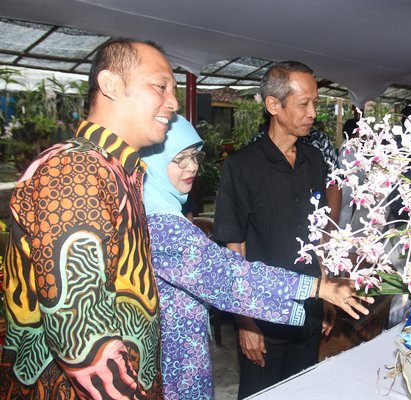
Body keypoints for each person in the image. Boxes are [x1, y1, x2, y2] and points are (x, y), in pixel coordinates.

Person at [140, 114, 372, 399]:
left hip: (186, 360)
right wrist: (319, 288)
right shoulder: (159, 223)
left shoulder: (160, 209)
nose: (192, 168)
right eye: (179, 159)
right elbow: (227, 274)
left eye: (194, 156)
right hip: (169, 369)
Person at [0, 39, 177, 399]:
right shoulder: (76, 169)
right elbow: (80, 333)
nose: (173, 104)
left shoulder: (115, 170)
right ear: (111, 85)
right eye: (160, 86)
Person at [212, 61, 337, 398]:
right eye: (304, 104)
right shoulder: (242, 167)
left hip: (309, 310)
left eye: (315, 103)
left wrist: (325, 293)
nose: (313, 113)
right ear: (273, 105)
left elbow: (319, 231)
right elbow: (233, 250)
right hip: (263, 317)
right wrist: (245, 322)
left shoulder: (314, 161)